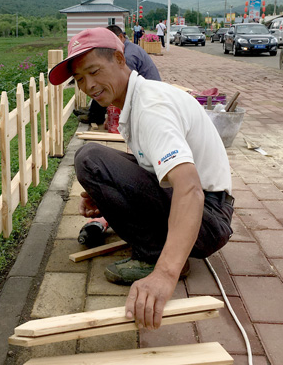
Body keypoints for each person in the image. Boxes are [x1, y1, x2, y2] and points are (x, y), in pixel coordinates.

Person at [49, 27, 234, 330]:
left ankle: (153, 257)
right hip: (210, 211)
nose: (88, 85)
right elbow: (154, 172)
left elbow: (189, 190)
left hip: (208, 218)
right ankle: (161, 248)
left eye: (94, 71)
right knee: (103, 166)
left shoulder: (150, 108)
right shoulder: (137, 101)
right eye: (80, 79)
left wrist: (165, 274)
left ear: (120, 59)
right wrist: (112, 193)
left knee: (90, 158)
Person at [77, 24, 161, 124]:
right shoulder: (128, 48)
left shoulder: (128, 55)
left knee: (104, 84)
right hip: (146, 92)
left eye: (110, 41)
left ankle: (95, 116)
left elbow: (123, 85)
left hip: (149, 99)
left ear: (121, 37)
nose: (106, 45)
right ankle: (92, 112)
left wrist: (114, 115)